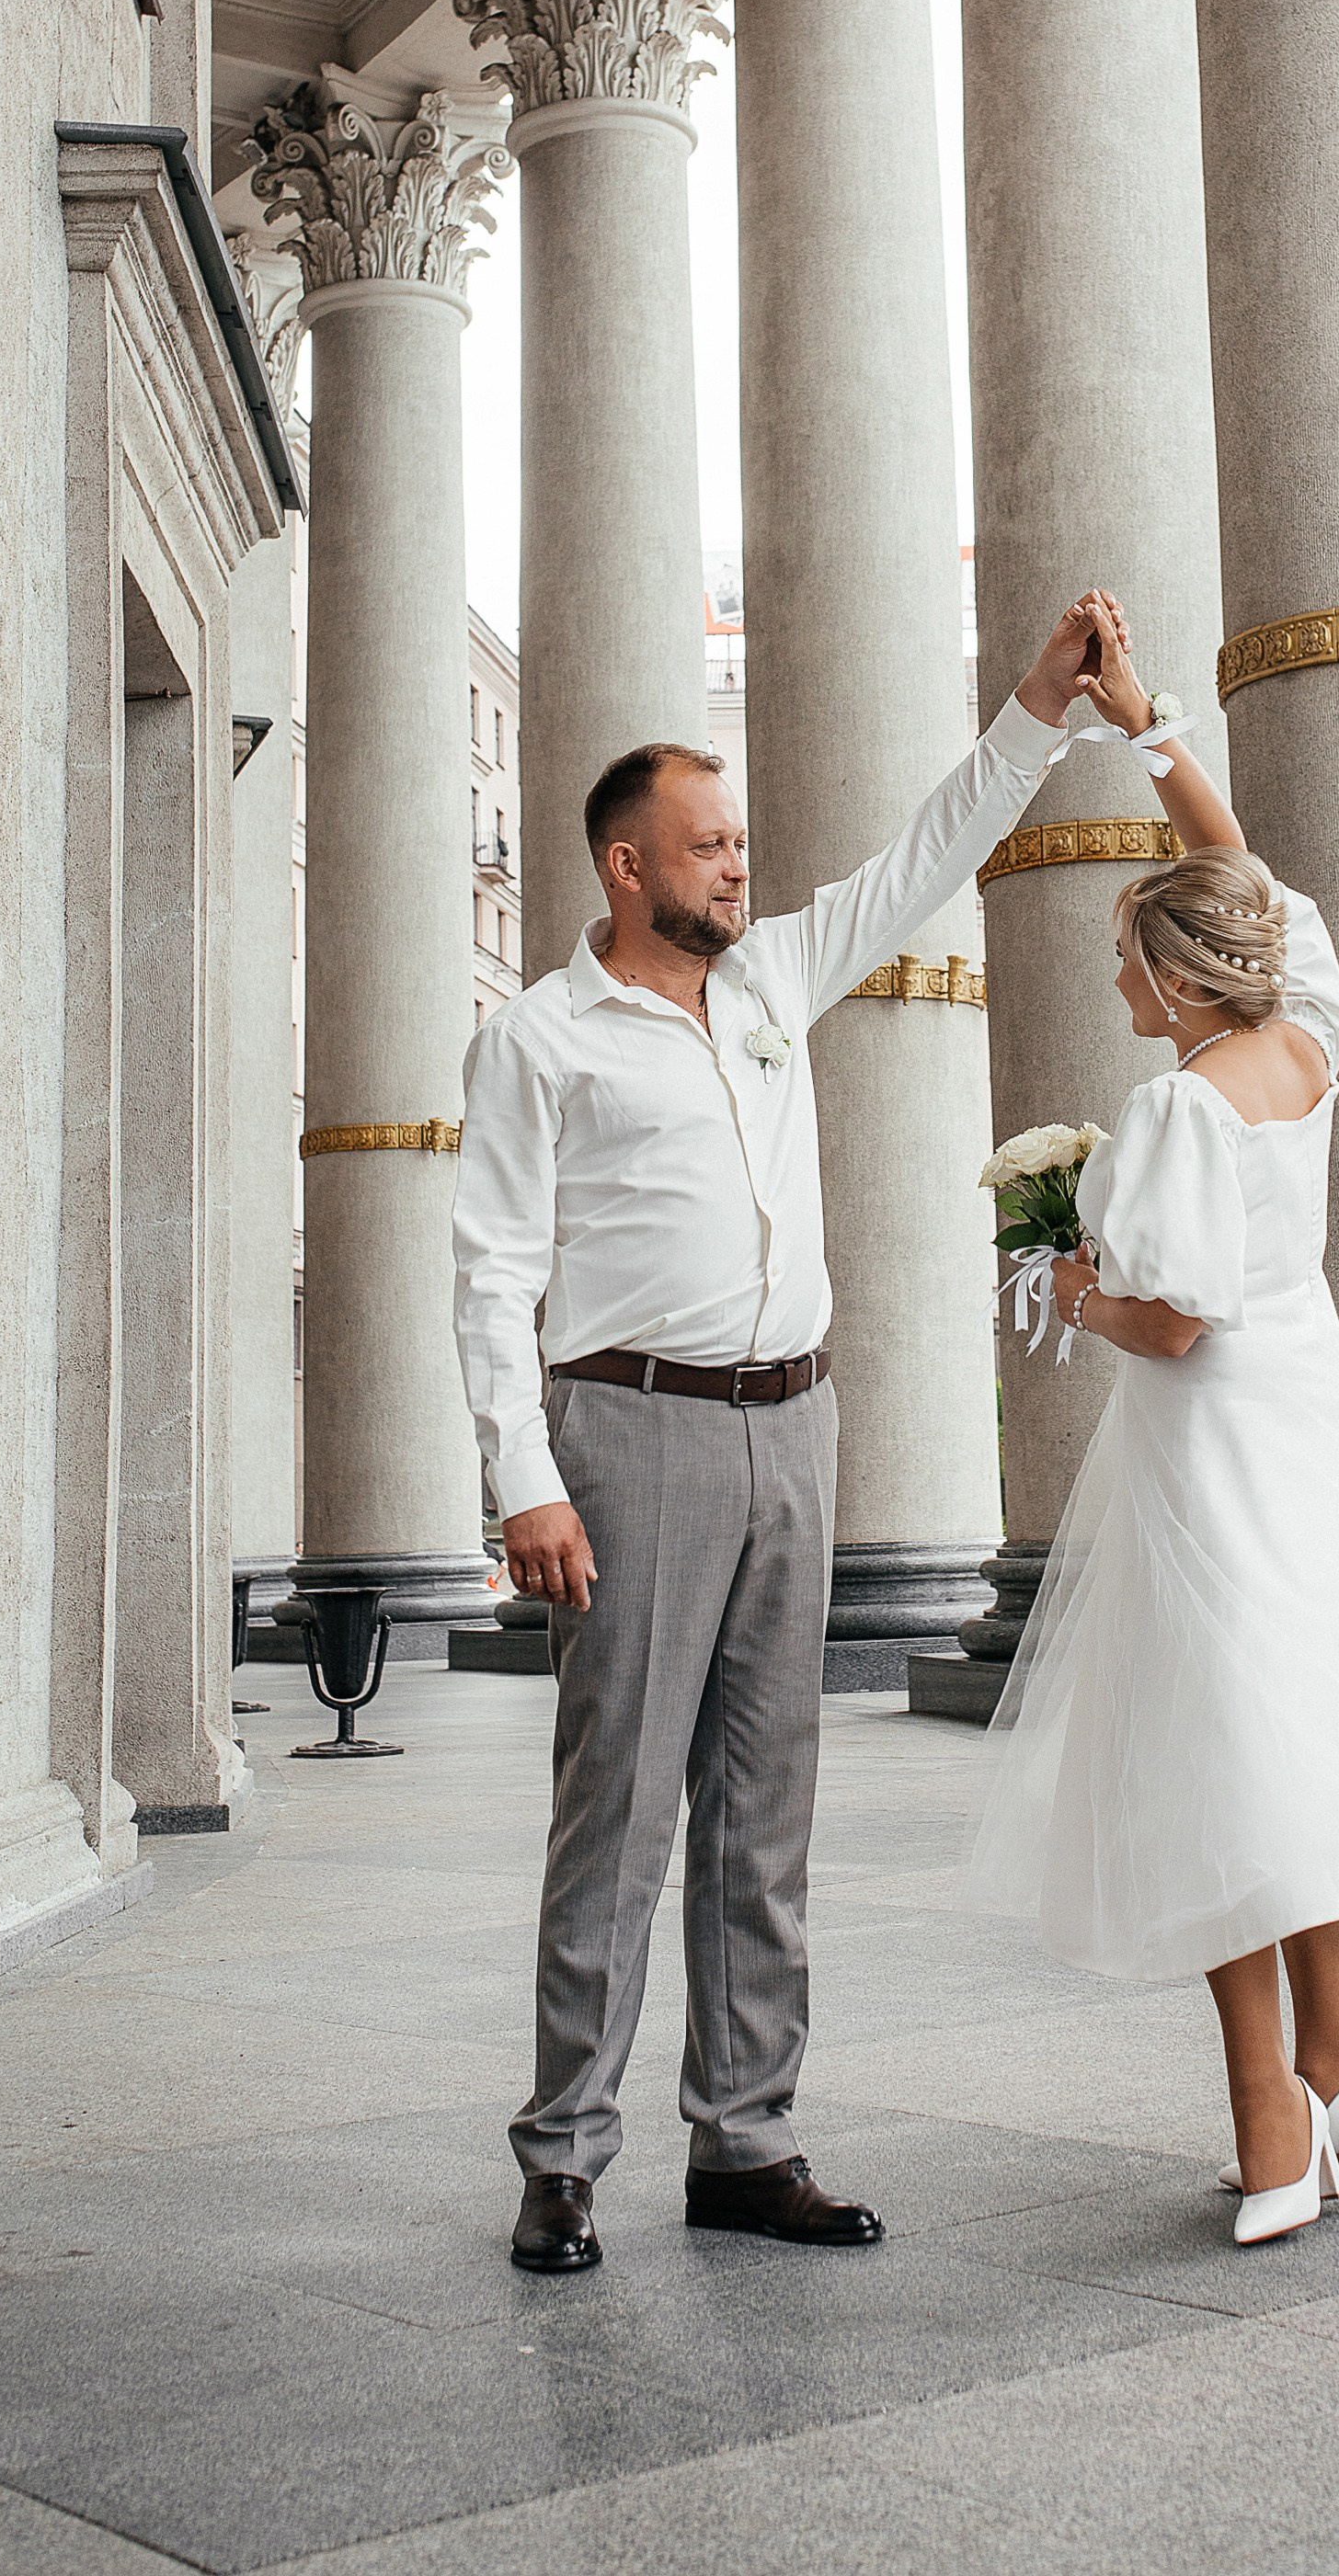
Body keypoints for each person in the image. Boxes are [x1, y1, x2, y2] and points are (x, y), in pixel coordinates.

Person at [453, 591, 1117, 2274]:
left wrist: (1034, 711)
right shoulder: (536, 1037)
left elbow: (922, 856)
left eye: (741, 844)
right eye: (709, 846)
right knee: (617, 1807)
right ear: (626, 865)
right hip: (631, 1433)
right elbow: (490, 1273)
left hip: (791, 1427)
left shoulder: (773, 980)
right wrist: (521, 1475)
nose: (738, 868)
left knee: (765, 1803)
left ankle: (745, 2141)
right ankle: (564, 2158)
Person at [966, 598, 1339, 2245]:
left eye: (1125, 959)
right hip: (1322, 1436)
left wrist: (1068, 1285)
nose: (1117, 982)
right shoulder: (1308, 1037)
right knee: (1302, 1764)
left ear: (1169, 976)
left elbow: (1172, 1319)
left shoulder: (1170, 1112)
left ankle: (1267, 2126)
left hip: (1207, 1461)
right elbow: (1251, 880)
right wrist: (1149, 727)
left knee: (1207, 1773)